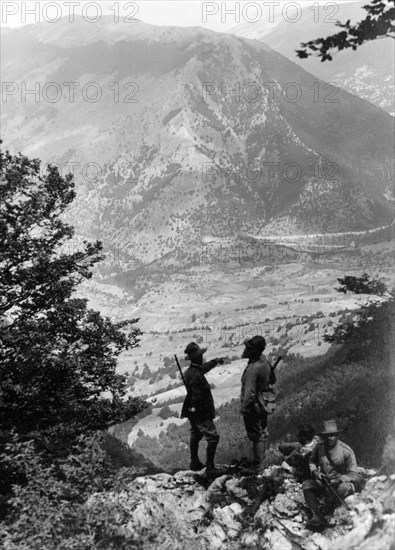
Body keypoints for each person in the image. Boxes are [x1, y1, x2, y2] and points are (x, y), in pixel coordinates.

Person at [302, 420, 362, 530]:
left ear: (337, 435)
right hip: (324, 482)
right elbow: (312, 460)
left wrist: (341, 479)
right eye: (326, 436)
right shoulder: (319, 448)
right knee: (307, 484)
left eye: (332, 435)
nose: (329, 438)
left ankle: (327, 511)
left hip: (340, 483)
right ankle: (316, 515)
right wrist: (315, 472)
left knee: (343, 489)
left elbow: (354, 474)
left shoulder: (346, 451)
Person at [180, 342, 223, 474]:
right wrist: (194, 408)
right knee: (213, 437)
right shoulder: (194, 374)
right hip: (200, 411)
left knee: (196, 434)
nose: (202, 357)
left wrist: (216, 361)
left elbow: (205, 367)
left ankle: (195, 462)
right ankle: (210, 466)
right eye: (200, 355)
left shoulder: (195, 370)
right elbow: (195, 395)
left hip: (195, 411)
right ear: (196, 357)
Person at [240, 335, 276, 475]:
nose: (246, 350)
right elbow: (272, 380)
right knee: (263, 432)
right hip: (264, 403)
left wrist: (244, 409)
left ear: (253, 351)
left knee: (256, 435)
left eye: (248, 348)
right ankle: (260, 462)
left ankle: (257, 466)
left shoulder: (253, 369)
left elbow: (249, 392)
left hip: (253, 406)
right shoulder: (265, 363)